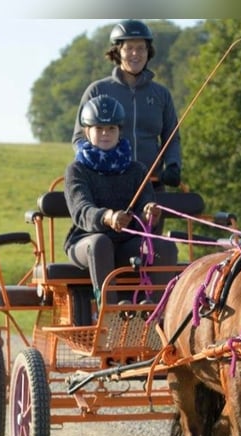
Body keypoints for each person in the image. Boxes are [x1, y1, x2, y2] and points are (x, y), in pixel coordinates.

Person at [64, 94, 178, 308]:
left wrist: (149, 213)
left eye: (111, 129)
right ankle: (110, 312)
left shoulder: (136, 170)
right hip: (86, 242)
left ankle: (156, 312)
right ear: (87, 132)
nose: (106, 134)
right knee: (101, 243)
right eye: (99, 129)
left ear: (120, 131)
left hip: (126, 243)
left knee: (166, 247)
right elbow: (81, 210)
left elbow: (146, 206)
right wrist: (107, 217)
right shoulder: (77, 170)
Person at [72, 19, 182, 193]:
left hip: (151, 186)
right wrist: (97, 164)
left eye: (140, 48)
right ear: (117, 51)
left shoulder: (161, 94)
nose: (135, 54)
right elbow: (79, 138)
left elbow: (172, 137)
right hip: (107, 186)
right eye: (129, 48)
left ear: (148, 52)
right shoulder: (97, 90)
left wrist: (173, 165)